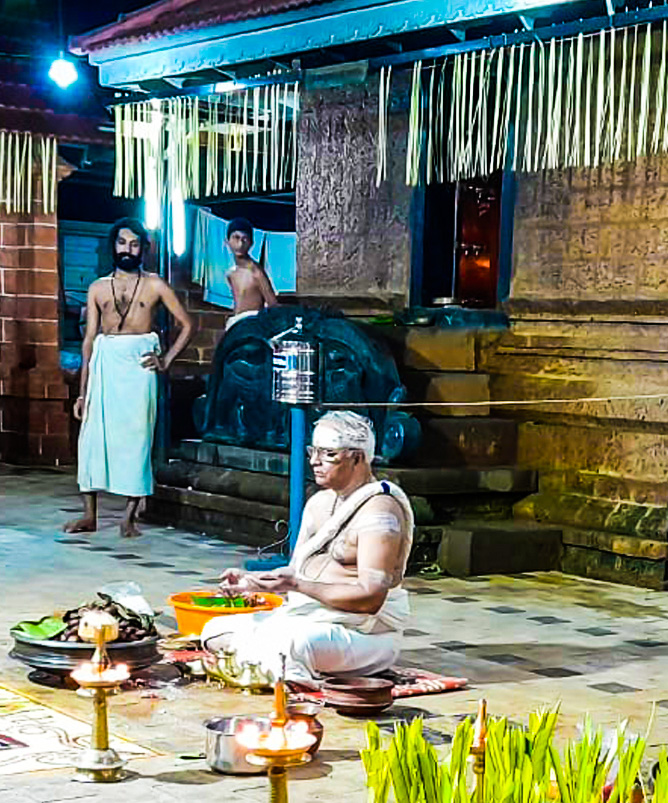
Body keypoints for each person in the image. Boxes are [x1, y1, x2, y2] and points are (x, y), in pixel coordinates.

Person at [204, 411, 414, 682]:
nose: (314, 461)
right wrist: (255, 583)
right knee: (215, 630)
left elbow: (370, 599)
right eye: (312, 451)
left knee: (291, 647)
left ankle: (288, 678)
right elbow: (297, 575)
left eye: (327, 453)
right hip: (309, 619)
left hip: (365, 635)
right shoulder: (319, 503)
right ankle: (279, 666)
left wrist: (296, 586)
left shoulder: (380, 512)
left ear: (357, 458)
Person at [65, 219, 195, 538]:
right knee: (93, 439)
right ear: (113, 246)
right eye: (122, 243)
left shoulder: (155, 285)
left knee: (137, 438)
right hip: (106, 361)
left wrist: (165, 360)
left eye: (134, 244)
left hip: (139, 365)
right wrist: (82, 393)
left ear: (143, 249)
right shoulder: (97, 287)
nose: (128, 249)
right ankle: (89, 515)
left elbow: (188, 325)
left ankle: (129, 517)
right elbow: (89, 340)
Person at [224, 218, 279, 322]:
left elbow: (273, 305)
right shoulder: (231, 273)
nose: (240, 244)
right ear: (227, 242)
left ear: (251, 243)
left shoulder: (256, 272)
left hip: (252, 326)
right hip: (236, 325)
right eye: (236, 238)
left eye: (244, 239)